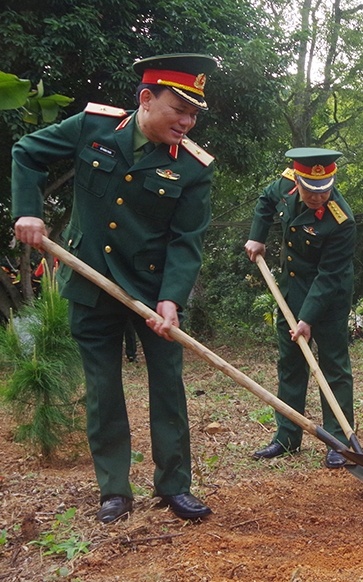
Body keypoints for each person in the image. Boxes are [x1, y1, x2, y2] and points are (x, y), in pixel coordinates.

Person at [11, 53, 218, 523]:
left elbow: (186, 242)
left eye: (193, 114)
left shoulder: (193, 168)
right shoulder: (93, 127)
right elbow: (27, 151)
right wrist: (28, 209)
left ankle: (174, 486)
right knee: (103, 388)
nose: (186, 122)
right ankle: (114, 491)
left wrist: (171, 299)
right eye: (178, 109)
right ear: (146, 99)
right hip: (89, 280)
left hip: (152, 290)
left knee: (168, 386)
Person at [245, 148, 357, 469]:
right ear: (297, 180)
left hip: (329, 297)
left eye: (324, 191)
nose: (317, 197)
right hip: (291, 292)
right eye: (311, 190)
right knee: (290, 363)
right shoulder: (284, 187)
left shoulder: (341, 220)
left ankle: (338, 440)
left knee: (333, 366)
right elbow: (265, 202)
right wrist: (257, 237)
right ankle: (286, 437)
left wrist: (307, 319)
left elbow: (329, 275)